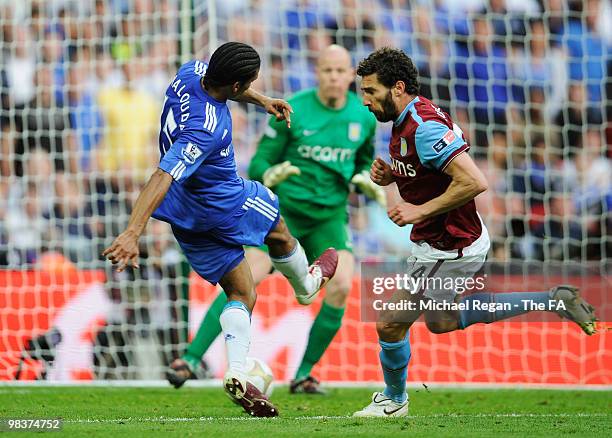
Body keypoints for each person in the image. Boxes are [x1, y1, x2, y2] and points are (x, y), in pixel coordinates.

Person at [351, 47, 597, 418]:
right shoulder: (407, 118)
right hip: (446, 239)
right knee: (442, 322)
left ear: (397, 87)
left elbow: (474, 181)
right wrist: (396, 175)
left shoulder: (423, 126)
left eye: (371, 91)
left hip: (448, 245)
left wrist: (419, 209)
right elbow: (433, 173)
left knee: (389, 322)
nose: (365, 100)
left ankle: (394, 401)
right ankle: (553, 299)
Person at [103, 42, 339, 417]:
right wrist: (133, 231)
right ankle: (307, 286)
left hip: (183, 211)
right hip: (222, 201)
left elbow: (227, 89)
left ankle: (239, 373)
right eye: (247, 85)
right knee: (278, 227)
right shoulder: (205, 130)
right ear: (234, 86)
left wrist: (261, 100)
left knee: (242, 290)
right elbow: (164, 173)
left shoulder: (190, 72)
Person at [166, 44, 384, 394]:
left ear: (350, 77)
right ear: (318, 72)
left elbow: (362, 162)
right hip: (284, 215)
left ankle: (304, 374)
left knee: (342, 284)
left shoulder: (363, 118)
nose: (333, 77)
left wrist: (364, 179)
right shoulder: (294, 108)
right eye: (327, 70)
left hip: (328, 217)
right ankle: (191, 359)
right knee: (244, 278)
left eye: (340, 71)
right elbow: (259, 164)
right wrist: (274, 173)